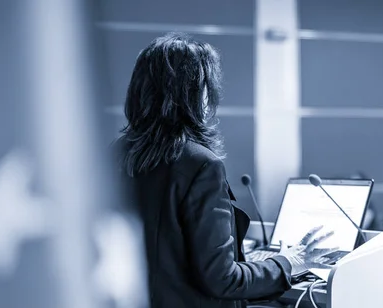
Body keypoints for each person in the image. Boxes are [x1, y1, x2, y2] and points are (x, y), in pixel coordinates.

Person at [115, 33, 336, 308]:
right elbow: (223, 279)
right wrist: (289, 262)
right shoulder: (201, 165)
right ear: (196, 93)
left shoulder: (117, 154)